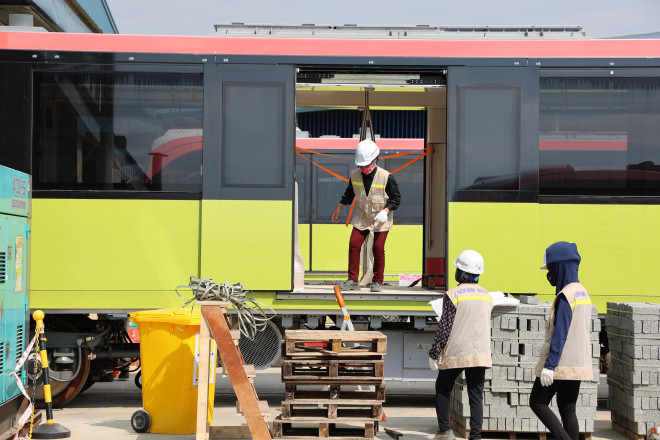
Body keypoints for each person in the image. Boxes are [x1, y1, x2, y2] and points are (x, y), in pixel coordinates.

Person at [530, 241, 593, 440]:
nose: (549, 274)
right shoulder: (582, 292)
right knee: (568, 409)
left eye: (550, 268)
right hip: (577, 362)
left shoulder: (566, 295)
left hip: (561, 363)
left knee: (537, 403)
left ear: (560, 266)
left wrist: (550, 365)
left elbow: (561, 332)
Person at [428, 250, 493, 440]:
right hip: (480, 353)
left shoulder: (454, 294)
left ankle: (444, 432)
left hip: (457, 351)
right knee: (475, 395)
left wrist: (434, 353)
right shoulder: (487, 296)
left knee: (443, 387)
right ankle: (476, 436)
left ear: (462, 273)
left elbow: (445, 327)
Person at [331, 139, 400, 293]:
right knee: (354, 244)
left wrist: (386, 211)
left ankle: (377, 282)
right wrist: (339, 208)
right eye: (361, 165)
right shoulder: (354, 175)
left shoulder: (386, 176)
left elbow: (396, 199)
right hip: (363, 217)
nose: (363, 168)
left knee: (378, 248)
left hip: (381, 219)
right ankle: (352, 280)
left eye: (366, 164)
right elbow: (349, 194)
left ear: (376, 159)